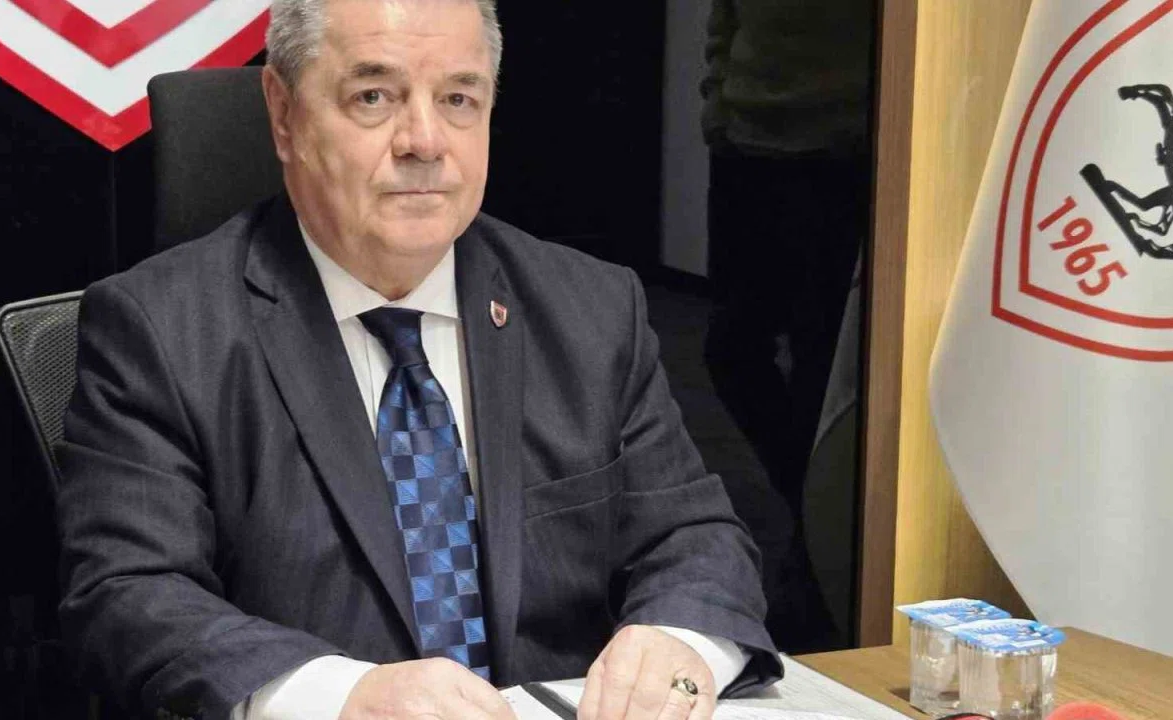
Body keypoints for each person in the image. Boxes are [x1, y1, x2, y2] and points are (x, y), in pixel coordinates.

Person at [54, 1, 781, 718]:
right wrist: (340, 697)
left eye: (459, 99)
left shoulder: (591, 308)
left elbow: (693, 537)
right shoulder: (161, 329)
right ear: (283, 114)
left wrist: (679, 641)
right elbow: (129, 591)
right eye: (374, 97)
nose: (425, 142)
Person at [700, 0, 872, 652]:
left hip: (835, 155)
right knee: (730, 348)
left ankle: (816, 559)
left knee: (820, 367)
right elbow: (724, 21)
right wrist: (717, 108)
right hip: (746, 147)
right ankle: (813, 511)